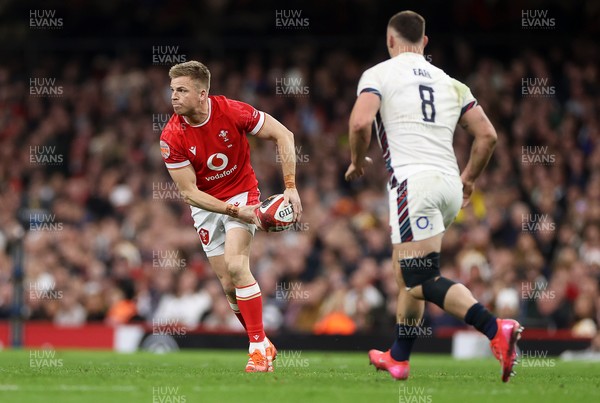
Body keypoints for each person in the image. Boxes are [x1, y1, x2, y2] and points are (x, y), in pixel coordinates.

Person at [345, 11, 523, 382]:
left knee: (419, 278)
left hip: (414, 185)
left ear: (390, 41)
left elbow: (361, 122)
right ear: (425, 43)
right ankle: (399, 356)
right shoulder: (451, 83)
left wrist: (357, 159)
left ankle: (495, 328)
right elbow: (487, 135)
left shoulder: (379, 74)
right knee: (406, 272)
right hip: (449, 185)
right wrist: (470, 179)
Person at [160, 60, 302, 372]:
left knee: (239, 267)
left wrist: (290, 186)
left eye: (181, 90)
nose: (174, 97)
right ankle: (262, 340)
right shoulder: (171, 136)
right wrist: (235, 211)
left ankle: (256, 352)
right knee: (227, 285)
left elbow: (285, 135)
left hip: (242, 191)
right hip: (207, 205)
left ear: (202, 94)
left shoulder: (231, 111)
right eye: (172, 90)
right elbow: (189, 194)